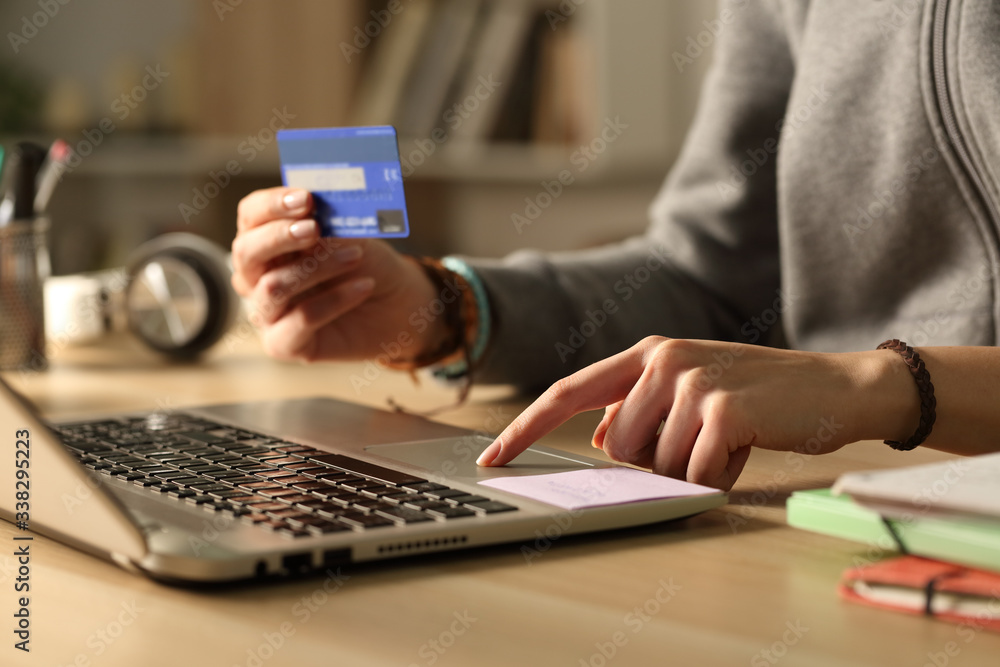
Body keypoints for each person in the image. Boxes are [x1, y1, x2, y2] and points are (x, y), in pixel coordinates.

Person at [230, 0, 1000, 491]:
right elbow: (712, 276)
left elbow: (845, 381)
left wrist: (876, 387)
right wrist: (442, 308)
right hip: (838, 512)